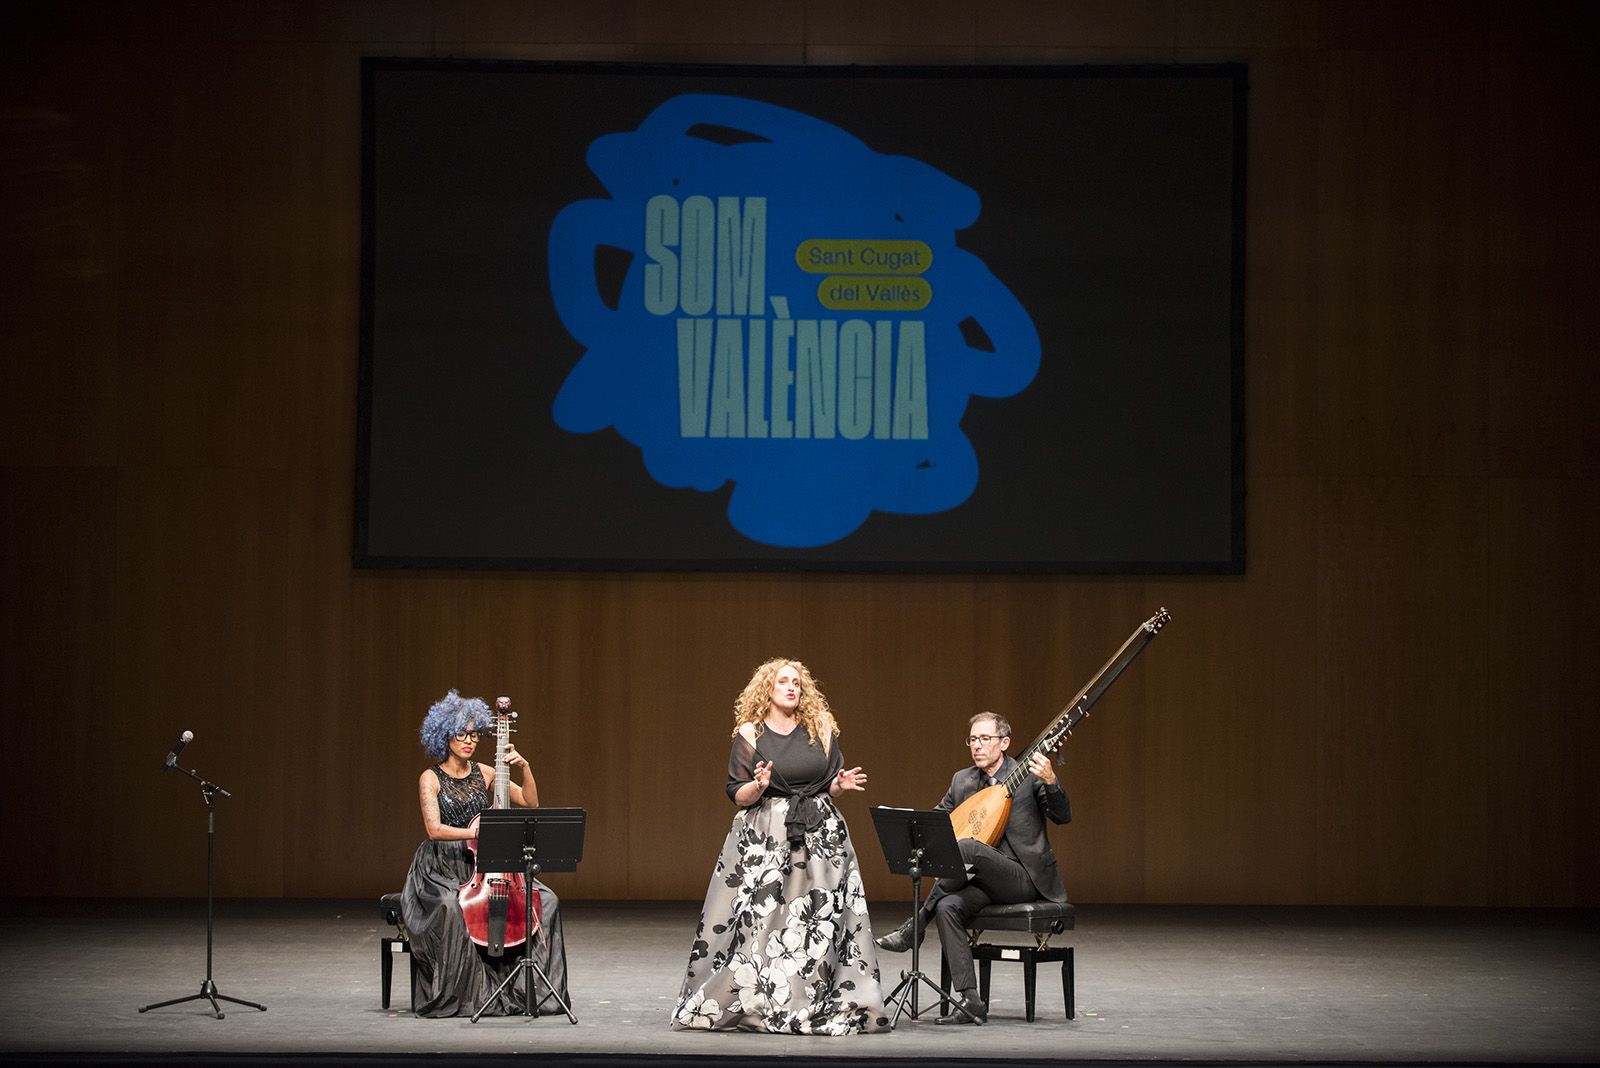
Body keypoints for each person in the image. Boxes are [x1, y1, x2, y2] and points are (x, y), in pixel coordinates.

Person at [671, 658, 890, 1035]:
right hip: (767, 835)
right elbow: (737, 793)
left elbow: (827, 783)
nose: (791, 688)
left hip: (820, 834)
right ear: (767, 689)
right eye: (783, 682)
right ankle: (761, 997)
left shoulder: (820, 726)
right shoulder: (751, 732)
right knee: (763, 920)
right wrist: (758, 785)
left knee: (819, 918)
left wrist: (839, 786)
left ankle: (814, 996)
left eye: (796, 683)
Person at [874, 711, 1071, 1024]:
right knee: (948, 906)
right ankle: (971, 1000)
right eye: (973, 739)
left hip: (1023, 878)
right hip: (981, 882)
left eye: (985, 739)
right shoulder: (962, 780)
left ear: (1004, 743)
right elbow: (939, 821)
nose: (977, 745)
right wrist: (908, 822)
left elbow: (1062, 816)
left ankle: (917, 924)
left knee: (967, 847)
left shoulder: (1028, 774)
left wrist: (1051, 781)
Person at [399, 690, 568, 1017]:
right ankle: (465, 995)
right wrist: (477, 832)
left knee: (546, 901)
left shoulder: (486, 772)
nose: (469, 741)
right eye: (461, 734)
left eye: (475, 734)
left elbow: (530, 802)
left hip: (484, 861)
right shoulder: (430, 778)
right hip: (442, 865)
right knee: (451, 908)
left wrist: (525, 767)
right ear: (444, 735)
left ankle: (534, 993)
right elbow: (434, 829)